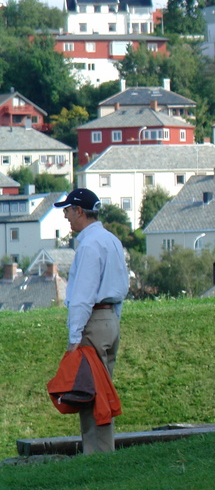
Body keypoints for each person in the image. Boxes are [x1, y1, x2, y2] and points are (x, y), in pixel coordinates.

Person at [54, 188, 128, 454]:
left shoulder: (88, 245)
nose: (66, 216)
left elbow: (82, 296)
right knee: (102, 388)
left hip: (93, 321)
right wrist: (114, 319)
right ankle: (102, 451)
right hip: (110, 319)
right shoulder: (111, 240)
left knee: (90, 392)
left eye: (67, 211)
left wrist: (74, 337)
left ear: (79, 211)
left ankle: (97, 454)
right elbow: (122, 285)